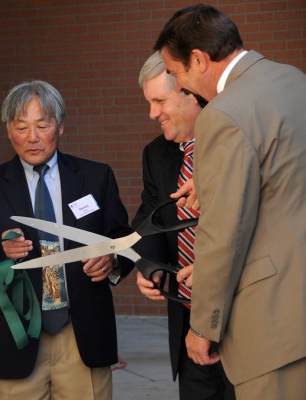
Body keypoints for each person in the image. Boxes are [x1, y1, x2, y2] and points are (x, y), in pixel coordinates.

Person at [154, 4, 306, 399]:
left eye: (176, 74)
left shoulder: (222, 114)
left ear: (200, 59)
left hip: (274, 327)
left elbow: (224, 235)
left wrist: (203, 326)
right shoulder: (293, 80)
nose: (181, 86)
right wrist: (209, 180)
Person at [0, 80, 134, 400]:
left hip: (81, 330)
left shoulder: (95, 178)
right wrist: (1, 249)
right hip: (19, 334)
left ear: (60, 126)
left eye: (42, 125)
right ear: (8, 130)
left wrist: (111, 259)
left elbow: (122, 236)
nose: (32, 137)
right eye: (21, 127)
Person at [133, 51, 234, 399]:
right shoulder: (156, 153)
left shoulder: (235, 145)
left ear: (191, 93)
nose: (152, 114)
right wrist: (149, 266)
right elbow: (149, 219)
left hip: (243, 323)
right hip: (188, 326)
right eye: (149, 102)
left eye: (160, 100)